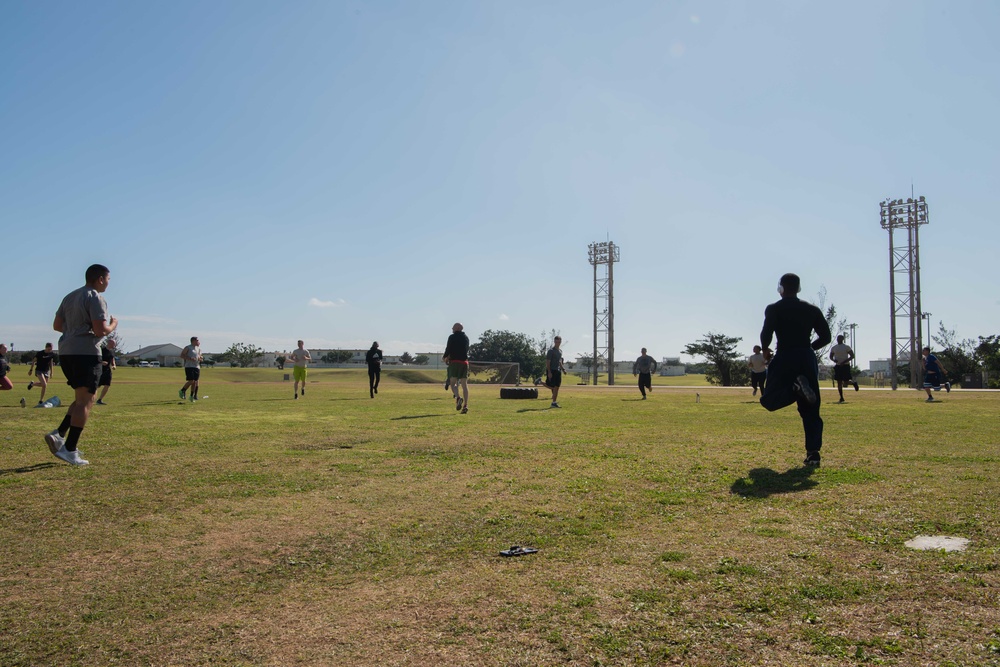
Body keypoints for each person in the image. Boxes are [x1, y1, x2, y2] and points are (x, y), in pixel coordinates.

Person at [44, 263, 118, 466]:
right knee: (85, 402)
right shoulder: (96, 297)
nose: (108, 284)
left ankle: (59, 434)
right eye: (108, 280)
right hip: (85, 352)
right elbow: (101, 329)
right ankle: (70, 449)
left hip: (67, 352)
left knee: (85, 398)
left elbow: (57, 326)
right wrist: (113, 325)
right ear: (100, 279)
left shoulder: (70, 296)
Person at [759, 273, 831, 467]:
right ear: (798, 288)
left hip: (784, 355)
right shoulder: (812, 309)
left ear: (781, 288)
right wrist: (809, 349)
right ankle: (813, 453)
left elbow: (766, 332)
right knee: (811, 409)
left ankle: (794, 389)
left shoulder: (774, 308)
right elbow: (826, 336)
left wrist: (765, 349)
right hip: (806, 358)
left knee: (769, 400)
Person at [442, 322, 470, 414]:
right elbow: (466, 349)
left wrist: (445, 357)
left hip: (454, 363)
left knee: (452, 383)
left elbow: (448, 348)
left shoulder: (452, 337)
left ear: (457, 328)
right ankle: (465, 405)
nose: (452, 329)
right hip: (464, 363)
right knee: (464, 385)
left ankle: (458, 397)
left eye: (453, 327)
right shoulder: (466, 338)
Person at [829, 335, 860, 403]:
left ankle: (854, 383)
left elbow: (852, 356)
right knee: (839, 382)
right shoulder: (834, 347)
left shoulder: (846, 347)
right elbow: (831, 356)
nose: (838, 339)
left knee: (846, 381)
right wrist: (834, 360)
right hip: (838, 366)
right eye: (837, 338)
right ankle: (841, 397)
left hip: (845, 366)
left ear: (842, 339)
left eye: (840, 338)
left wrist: (844, 361)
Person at [27, 342, 56, 407]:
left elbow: (51, 363)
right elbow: (33, 361)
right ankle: (41, 400)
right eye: (49, 349)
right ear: (46, 347)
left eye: (51, 349)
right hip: (39, 370)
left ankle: (32, 384)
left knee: (44, 386)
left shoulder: (51, 354)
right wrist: (31, 370)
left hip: (46, 371)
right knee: (44, 384)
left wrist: (51, 372)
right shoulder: (40, 354)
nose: (50, 350)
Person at [178, 336, 203, 402]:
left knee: (195, 382)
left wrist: (200, 359)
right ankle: (182, 390)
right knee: (191, 381)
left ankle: (191, 396)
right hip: (189, 366)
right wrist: (189, 358)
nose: (199, 342)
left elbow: (200, 357)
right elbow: (182, 355)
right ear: (193, 341)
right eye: (197, 340)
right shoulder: (188, 348)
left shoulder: (199, 349)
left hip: (196, 367)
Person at [545, 335, 567, 408]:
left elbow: (559, 362)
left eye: (559, 341)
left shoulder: (560, 351)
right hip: (552, 370)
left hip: (558, 371)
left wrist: (563, 369)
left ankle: (554, 403)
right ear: (554, 342)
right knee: (551, 386)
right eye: (556, 341)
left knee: (557, 387)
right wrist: (549, 372)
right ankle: (540, 382)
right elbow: (548, 362)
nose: (558, 343)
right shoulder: (551, 351)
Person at [96, 338, 117, 405]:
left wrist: (114, 365)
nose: (115, 345)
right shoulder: (102, 350)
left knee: (107, 385)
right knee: (97, 386)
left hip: (108, 370)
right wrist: (101, 362)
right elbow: (96, 359)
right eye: (113, 343)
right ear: (109, 343)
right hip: (100, 370)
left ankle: (100, 400)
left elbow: (112, 358)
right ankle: (88, 398)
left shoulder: (112, 351)